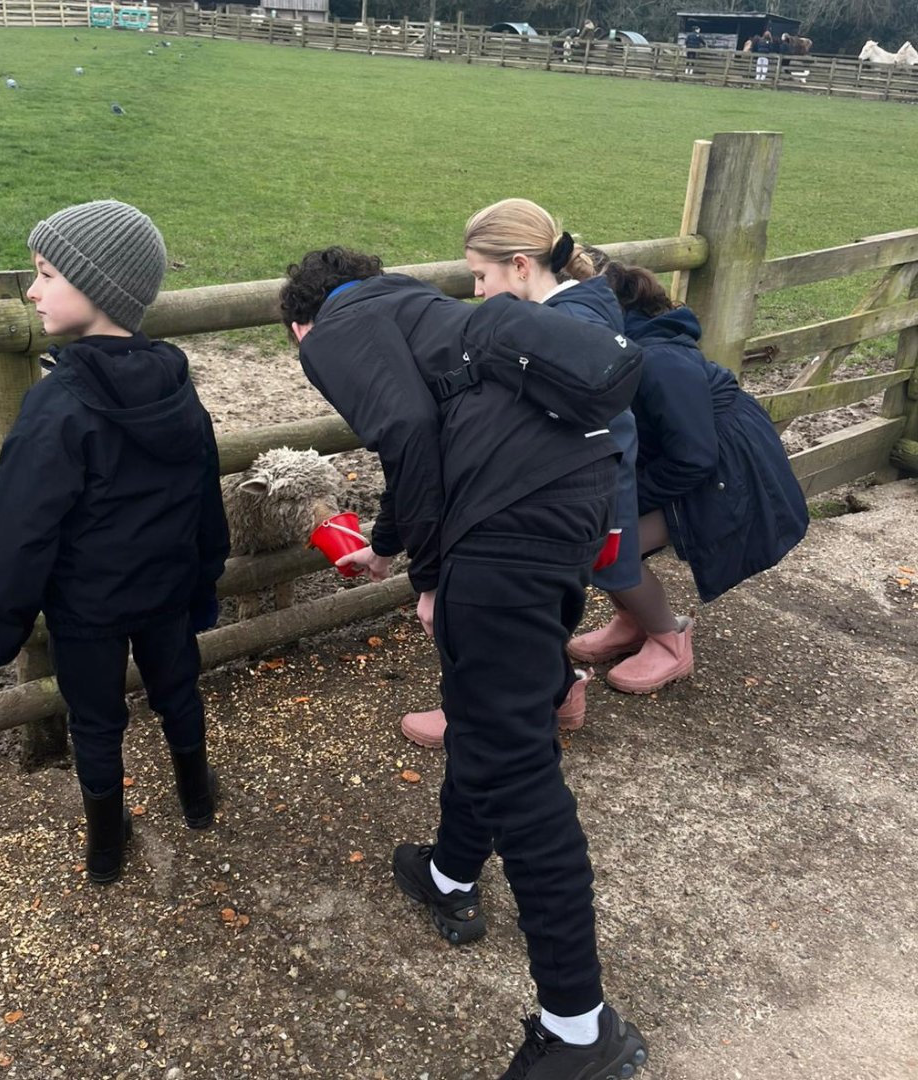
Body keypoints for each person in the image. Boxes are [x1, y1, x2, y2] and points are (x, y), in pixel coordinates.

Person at [280, 246, 647, 1080]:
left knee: (515, 758)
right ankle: (449, 874)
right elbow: (441, 428)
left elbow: (406, 430)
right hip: (574, 487)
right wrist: (393, 543)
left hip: (507, 515)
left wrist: (433, 576)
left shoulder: (328, 332)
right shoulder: (414, 305)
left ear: (301, 320)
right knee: (494, 707)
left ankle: (580, 1027)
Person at [0, 200, 230, 885]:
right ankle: (197, 797)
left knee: (95, 719)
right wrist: (205, 576)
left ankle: (107, 846)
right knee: (179, 688)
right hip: (169, 591)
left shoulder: (60, 404)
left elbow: (22, 526)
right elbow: (205, 484)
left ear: (99, 287)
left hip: (87, 607)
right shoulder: (178, 383)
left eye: (47, 273)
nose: (32, 290)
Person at [401, 198, 641, 748]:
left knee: (511, 613)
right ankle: (559, 692)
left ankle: (475, 712)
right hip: (579, 506)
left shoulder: (558, 331)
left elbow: (605, 428)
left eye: (481, 276)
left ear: (520, 264)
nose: (478, 292)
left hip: (556, 506)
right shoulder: (571, 317)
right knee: (536, 616)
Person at [567, 258, 809, 692]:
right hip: (687, 458)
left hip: (722, 469)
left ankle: (669, 638)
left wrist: (625, 499)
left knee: (608, 542)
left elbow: (695, 457)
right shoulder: (626, 344)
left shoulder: (660, 360)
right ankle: (633, 622)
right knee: (601, 532)